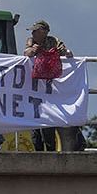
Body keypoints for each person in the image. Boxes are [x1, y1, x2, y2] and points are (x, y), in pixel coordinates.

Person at [25, 19, 77, 151]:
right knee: (35, 129)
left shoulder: (53, 41)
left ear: (44, 32)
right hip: (35, 88)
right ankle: (39, 152)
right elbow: (26, 53)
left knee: (48, 125)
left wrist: (67, 53)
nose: (33, 33)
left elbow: (66, 52)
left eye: (36, 30)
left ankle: (51, 152)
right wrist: (33, 49)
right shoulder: (31, 41)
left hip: (50, 87)